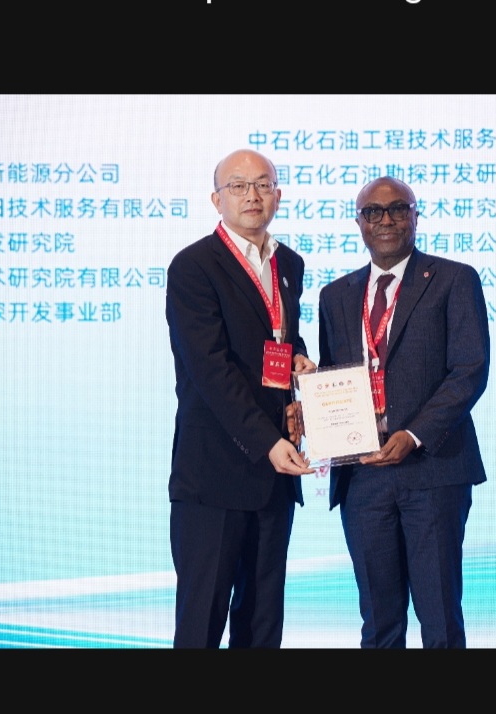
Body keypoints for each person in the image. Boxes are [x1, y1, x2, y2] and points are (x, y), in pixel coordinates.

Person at [316, 176, 490, 648]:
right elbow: (333, 376)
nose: (386, 220)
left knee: (439, 618)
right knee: (379, 622)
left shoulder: (454, 279)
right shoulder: (336, 295)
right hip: (362, 477)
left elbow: (469, 370)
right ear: (359, 222)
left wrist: (413, 434)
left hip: (431, 470)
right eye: (373, 212)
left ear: (415, 216)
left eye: (398, 209)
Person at [165, 149, 315, 648]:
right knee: (201, 625)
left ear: (278, 195)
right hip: (214, 475)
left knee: (261, 625)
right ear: (217, 199)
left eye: (263, 185)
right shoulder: (193, 266)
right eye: (238, 186)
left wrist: (299, 361)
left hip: (274, 478)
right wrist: (268, 443)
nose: (253, 195)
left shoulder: (288, 263)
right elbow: (210, 370)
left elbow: (276, 338)